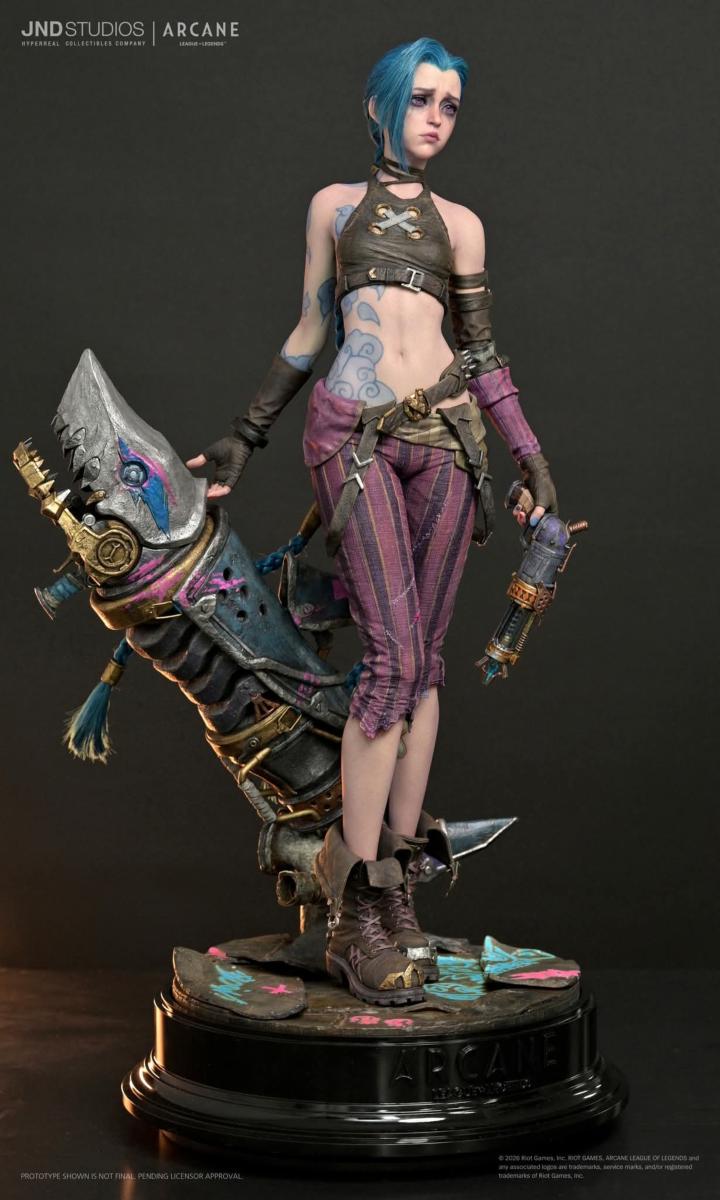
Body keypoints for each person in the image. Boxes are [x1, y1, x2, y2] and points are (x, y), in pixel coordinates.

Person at [188, 38, 557, 1006]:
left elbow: (481, 353)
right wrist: (246, 436)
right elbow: (313, 325)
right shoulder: (335, 208)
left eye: (450, 105)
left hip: (449, 442)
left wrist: (529, 454)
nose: (435, 118)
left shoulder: (462, 226)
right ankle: (355, 908)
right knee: (392, 660)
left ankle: (397, 896)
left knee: (423, 664)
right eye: (421, 98)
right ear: (380, 104)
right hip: (353, 436)